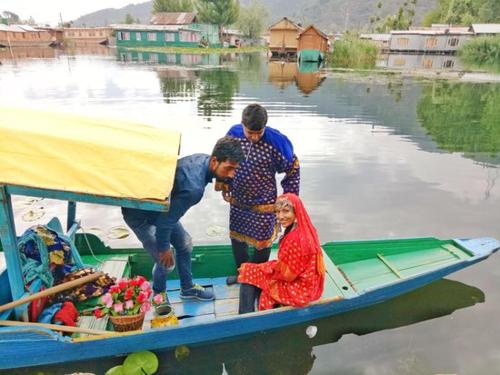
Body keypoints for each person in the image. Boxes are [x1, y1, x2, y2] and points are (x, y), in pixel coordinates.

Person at [122, 136, 244, 303]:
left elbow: (168, 215)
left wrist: (224, 180)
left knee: (185, 244)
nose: (232, 174)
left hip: (161, 209)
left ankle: (187, 289)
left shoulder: (203, 159)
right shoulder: (194, 188)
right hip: (139, 213)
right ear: (215, 161)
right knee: (166, 261)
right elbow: (166, 221)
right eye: (229, 168)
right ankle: (159, 297)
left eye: (235, 169)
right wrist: (164, 248)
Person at [220, 104, 300, 285]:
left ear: (265, 126)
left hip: (265, 203)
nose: (255, 137)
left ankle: (258, 279)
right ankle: (242, 275)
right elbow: (223, 159)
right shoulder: (234, 134)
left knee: (262, 243)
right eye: (250, 133)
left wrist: (288, 199)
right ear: (242, 125)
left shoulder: (276, 142)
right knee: (237, 238)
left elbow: (293, 168)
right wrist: (224, 182)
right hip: (239, 200)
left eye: (259, 133)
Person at [237, 193, 325, 313]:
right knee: (257, 269)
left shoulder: (295, 239)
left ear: (296, 212)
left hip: (300, 289)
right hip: (310, 283)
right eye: (278, 212)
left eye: (286, 211)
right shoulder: (304, 228)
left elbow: (288, 275)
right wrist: (270, 267)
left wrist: (269, 269)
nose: (280, 216)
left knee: (249, 271)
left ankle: (244, 317)